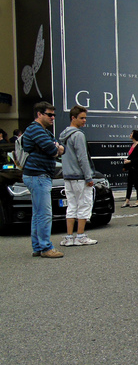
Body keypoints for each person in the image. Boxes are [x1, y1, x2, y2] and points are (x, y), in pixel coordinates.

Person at [21, 101, 65, 258]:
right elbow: (54, 149)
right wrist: (56, 148)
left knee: (38, 213)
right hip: (37, 175)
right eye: (49, 114)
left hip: (39, 175)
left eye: (54, 114)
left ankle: (38, 247)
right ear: (39, 114)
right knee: (45, 213)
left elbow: (59, 148)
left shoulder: (42, 131)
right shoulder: (35, 129)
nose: (53, 117)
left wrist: (57, 148)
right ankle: (46, 247)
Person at [59, 105, 98, 247]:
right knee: (85, 205)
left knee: (71, 206)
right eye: (81, 118)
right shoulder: (78, 135)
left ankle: (69, 237)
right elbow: (82, 158)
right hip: (79, 176)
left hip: (68, 176)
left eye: (85, 118)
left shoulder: (63, 135)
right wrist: (89, 177)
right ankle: (80, 236)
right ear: (73, 118)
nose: (84, 121)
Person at [121, 129, 138, 208]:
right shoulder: (133, 145)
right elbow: (130, 156)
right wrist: (125, 165)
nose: (130, 134)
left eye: (131, 133)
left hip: (137, 167)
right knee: (129, 183)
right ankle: (127, 200)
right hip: (131, 167)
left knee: (137, 183)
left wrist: (129, 161)